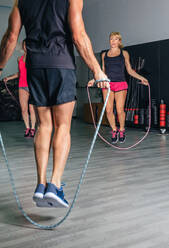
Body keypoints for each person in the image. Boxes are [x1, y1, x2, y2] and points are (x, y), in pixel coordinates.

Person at [0, 0, 109, 208]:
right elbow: (78, 36)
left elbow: (11, 37)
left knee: (44, 125)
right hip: (62, 65)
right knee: (63, 126)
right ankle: (55, 185)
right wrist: (97, 70)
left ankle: (40, 185)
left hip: (35, 67)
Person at [90, 32, 149, 144]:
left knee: (120, 110)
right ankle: (114, 130)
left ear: (119, 41)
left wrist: (142, 78)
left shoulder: (124, 53)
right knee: (108, 110)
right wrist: (94, 80)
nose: (113, 41)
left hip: (120, 84)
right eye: (111, 39)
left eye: (115, 39)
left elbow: (130, 70)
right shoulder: (104, 55)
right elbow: (102, 72)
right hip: (107, 84)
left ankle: (122, 129)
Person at [3, 40, 36, 138]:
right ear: (23, 47)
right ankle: (27, 128)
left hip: (32, 86)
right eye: (24, 45)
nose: (25, 47)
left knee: (32, 109)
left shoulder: (34, 58)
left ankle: (33, 129)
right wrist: (8, 78)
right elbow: (20, 73)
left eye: (27, 45)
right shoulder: (19, 59)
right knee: (24, 109)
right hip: (22, 85)